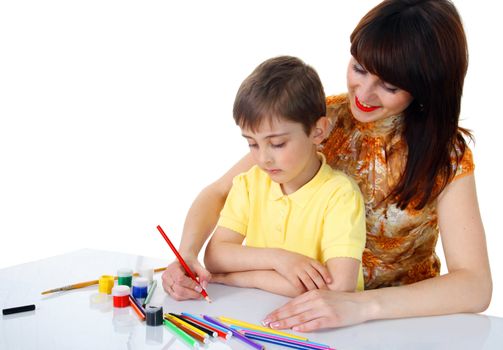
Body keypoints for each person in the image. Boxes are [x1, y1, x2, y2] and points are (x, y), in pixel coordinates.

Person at [162, 0, 492, 332]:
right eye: (359, 68)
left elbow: (475, 285)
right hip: (304, 306)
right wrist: (187, 254)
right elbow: (222, 191)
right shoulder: (324, 121)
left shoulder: (445, 154)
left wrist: (361, 305)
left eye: (390, 86)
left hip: (401, 323)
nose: (363, 93)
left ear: (425, 88)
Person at [203, 56, 366, 297]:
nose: (263, 159)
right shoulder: (249, 184)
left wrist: (243, 278)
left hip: (328, 329)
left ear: (318, 131)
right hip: (258, 315)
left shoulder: (340, 195)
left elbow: (338, 287)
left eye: (277, 144)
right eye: (252, 144)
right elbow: (215, 257)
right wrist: (279, 259)